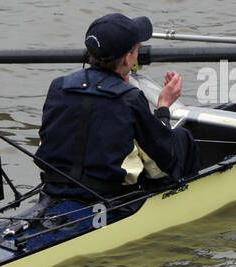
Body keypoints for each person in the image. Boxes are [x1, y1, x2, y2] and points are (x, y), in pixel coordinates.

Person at [33, 13, 200, 209]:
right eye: (137, 48)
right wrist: (163, 106)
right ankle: (187, 201)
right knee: (181, 138)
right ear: (128, 59)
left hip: (54, 188)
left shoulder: (58, 86)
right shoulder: (129, 98)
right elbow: (161, 164)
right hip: (109, 199)